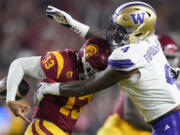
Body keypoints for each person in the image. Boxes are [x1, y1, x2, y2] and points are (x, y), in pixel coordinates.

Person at [34, 2, 180, 135]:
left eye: (124, 29)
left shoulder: (129, 60)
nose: (116, 32)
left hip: (169, 123)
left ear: (138, 32)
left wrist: (49, 88)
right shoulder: (150, 39)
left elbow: (87, 87)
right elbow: (110, 40)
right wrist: (73, 24)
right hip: (172, 118)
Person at [3, 38, 111, 134]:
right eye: (90, 69)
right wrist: (10, 99)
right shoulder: (61, 61)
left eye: (96, 71)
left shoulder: (101, 76)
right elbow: (19, 64)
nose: (92, 74)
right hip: (44, 128)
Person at [97, 35, 180, 135]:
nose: (168, 62)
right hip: (122, 129)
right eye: (165, 57)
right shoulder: (140, 71)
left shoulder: (174, 78)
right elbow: (132, 115)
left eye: (171, 58)